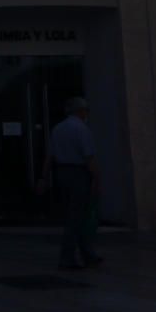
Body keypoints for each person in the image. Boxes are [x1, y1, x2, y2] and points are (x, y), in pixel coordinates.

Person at [37, 96, 102, 270]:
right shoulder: (82, 129)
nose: (87, 113)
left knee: (73, 215)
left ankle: (88, 253)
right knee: (77, 217)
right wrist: (96, 177)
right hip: (78, 173)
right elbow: (89, 157)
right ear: (81, 111)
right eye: (86, 110)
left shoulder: (58, 129)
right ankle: (68, 258)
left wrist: (43, 178)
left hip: (61, 173)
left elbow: (49, 156)